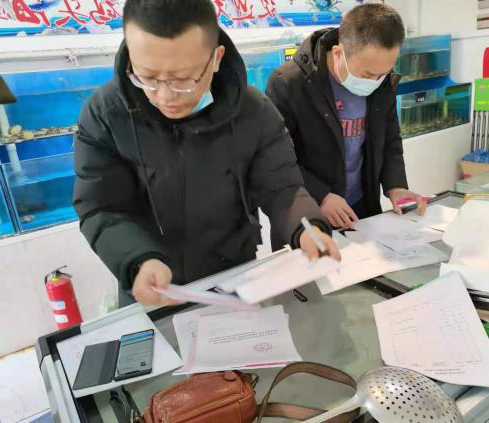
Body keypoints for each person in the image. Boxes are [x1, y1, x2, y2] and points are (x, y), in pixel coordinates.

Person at [73, 0, 339, 307]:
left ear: (216, 58)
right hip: (152, 286)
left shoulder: (253, 111)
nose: (165, 96)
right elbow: (101, 206)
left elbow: (282, 188)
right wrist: (137, 261)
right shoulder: (106, 114)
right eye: (147, 76)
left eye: (183, 79)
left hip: (234, 280)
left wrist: (308, 228)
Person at [266, 4, 426, 231]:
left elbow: (390, 141)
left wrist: (396, 186)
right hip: (307, 211)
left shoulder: (382, 81)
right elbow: (276, 160)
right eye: (367, 74)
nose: (375, 81)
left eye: (383, 74)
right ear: (338, 53)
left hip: (360, 208)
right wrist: (321, 195)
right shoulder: (288, 84)